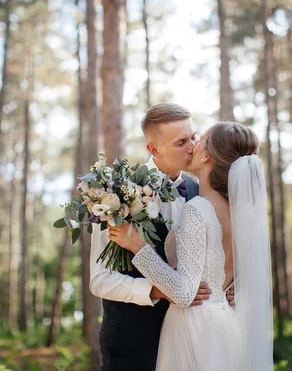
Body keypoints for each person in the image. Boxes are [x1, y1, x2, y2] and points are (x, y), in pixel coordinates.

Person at [109, 122, 273, 371]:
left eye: (200, 140)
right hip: (225, 325)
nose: (192, 146)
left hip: (194, 329)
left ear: (206, 154)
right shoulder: (240, 215)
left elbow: (184, 294)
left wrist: (138, 246)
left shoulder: (198, 209)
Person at [89, 104, 232, 371]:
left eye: (194, 137)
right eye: (181, 142)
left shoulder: (203, 190)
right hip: (131, 342)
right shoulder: (115, 194)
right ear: (153, 149)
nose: (192, 147)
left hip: (192, 337)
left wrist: (228, 287)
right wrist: (156, 290)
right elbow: (100, 281)